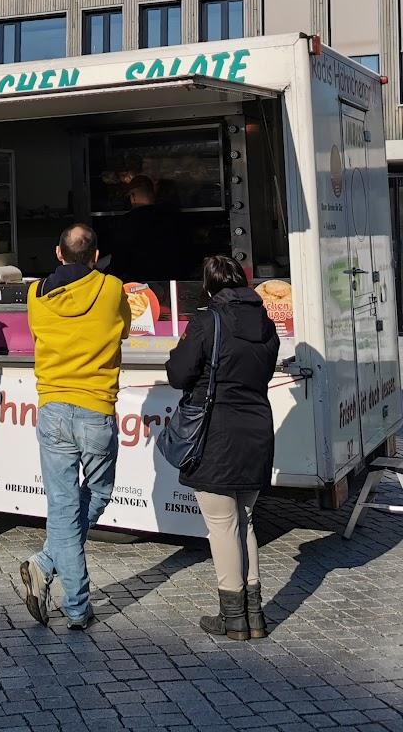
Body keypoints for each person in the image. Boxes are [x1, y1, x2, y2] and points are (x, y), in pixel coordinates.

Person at [20, 223, 130, 630]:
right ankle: (77, 607)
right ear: (96, 255)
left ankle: (45, 563)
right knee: (97, 494)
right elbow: (124, 329)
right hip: (95, 408)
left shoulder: (35, 294)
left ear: (58, 253)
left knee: (64, 508)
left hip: (51, 408)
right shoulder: (112, 288)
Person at [166, 254, 279, 641]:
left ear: (209, 286)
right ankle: (255, 614)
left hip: (215, 433)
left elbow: (178, 374)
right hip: (257, 428)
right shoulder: (266, 324)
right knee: (245, 520)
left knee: (221, 525)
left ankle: (232, 617)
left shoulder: (205, 321)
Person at [106, 174, 188, 283]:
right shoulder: (174, 219)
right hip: (173, 282)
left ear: (133, 196)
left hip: (138, 286)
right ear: (153, 194)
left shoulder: (126, 222)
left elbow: (119, 261)